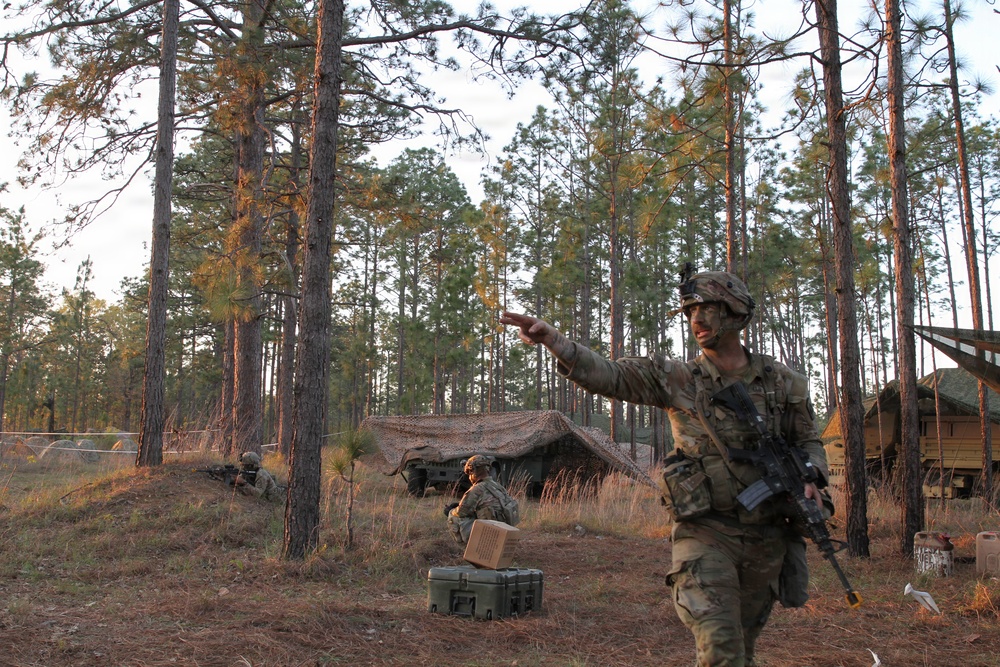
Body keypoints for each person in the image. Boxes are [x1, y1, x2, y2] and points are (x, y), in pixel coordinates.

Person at [500, 269, 829, 667]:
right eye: (691, 312)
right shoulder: (677, 378)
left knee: (741, 647)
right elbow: (611, 375)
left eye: (708, 309)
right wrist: (555, 342)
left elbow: (808, 441)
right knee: (720, 645)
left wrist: (812, 476)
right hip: (705, 533)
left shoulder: (784, 383)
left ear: (737, 313)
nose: (697, 320)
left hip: (768, 535)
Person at [446, 454, 519, 544]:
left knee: (453, 517)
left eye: (469, 473)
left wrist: (451, 510)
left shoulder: (477, 489)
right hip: (503, 531)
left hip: (489, 533)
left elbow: (461, 512)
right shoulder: (497, 486)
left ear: (473, 472)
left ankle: (470, 551)